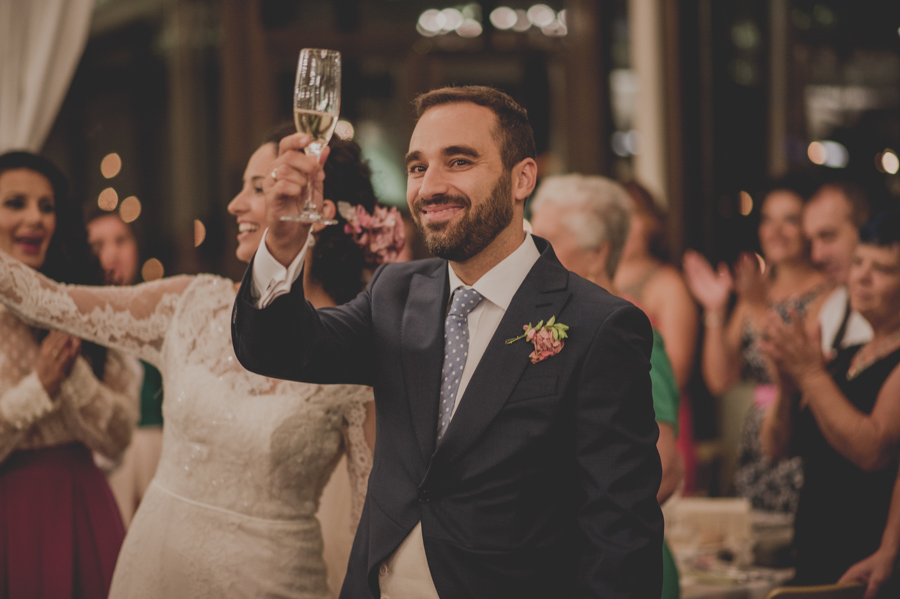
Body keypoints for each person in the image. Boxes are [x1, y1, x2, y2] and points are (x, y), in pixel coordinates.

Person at [232, 85, 663, 598]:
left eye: (458, 162)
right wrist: (281, 246)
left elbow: (620, 537)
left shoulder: (600, 327)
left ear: (522, 177)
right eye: (417, 167)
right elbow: (277, 349)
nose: (430, 186)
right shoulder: (394, 293)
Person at [0, 133, 385, 598]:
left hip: (274, 582)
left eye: (259, 188)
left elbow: (372, 526)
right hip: (156, 571)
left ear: (317, 210)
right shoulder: (190, 302)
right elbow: (47, 301)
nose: (235, 204)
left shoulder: (352, 351)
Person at [530, 173, 683, 599]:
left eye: (547, 242)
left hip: (617, 574)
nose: (531, 256)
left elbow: (664, 471)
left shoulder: (627, 339)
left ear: (598, 253)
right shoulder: (559, 332)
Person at [0, 151, 139, 597]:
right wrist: (38, 387)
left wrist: (72, 375)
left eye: (46, 205)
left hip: (81, 506)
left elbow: (118, 436)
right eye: (15, 203)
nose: (34, 218)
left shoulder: (81, 305)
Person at [758, 209, 900, 598]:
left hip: (864, 567)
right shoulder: (847, 355)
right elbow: (777, 448)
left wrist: (809, 374)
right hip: (815, 558)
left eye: (883, 269)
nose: (862, 277)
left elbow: (873, 450)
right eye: (858, 263)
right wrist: (787, 387)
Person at [683, 173, 830, 512]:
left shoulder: (827, 292)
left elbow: (795, 366)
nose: (775, 230)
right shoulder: (756, 293)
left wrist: (758, 307)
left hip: (799, 436)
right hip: (755, 444)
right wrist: (717, 310)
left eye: (790, 220)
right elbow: (720, 379)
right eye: (767, 219)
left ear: (809, 227)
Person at [614, 180, 699, 493]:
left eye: (633, 213)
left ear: (652, 223)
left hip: (655, 416)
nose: (622, 223)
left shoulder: (668, 284)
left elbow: (677, 369)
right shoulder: (590, 280)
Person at [86, 210, 164, 527]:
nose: (113, 252)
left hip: (159, 454)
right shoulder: (80, 317)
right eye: (99, 243)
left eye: (121, 240)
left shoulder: (157, 311)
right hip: (103, 461)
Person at [803, 180, 873, 356]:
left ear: (863, 229)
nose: (816, 256)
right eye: (811, 242)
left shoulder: (890, 304)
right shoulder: (832, 304)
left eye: (827, 236)